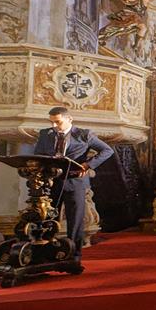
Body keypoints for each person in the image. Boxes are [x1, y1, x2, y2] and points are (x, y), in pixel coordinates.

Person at [33, 106, 114, 263]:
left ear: (69, 119)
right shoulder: (45, 134)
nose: (54, 127)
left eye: (58, 122)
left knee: (75, 220)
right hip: (51, 182)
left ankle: (74, 256)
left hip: (75, 182)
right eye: (51, 123)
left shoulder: (84, 134)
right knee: (49, 218)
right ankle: (45, 253)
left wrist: (88, 165)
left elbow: (107, 150)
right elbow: (38, 155)